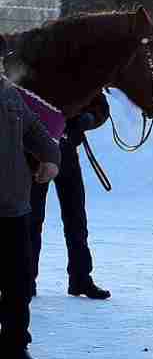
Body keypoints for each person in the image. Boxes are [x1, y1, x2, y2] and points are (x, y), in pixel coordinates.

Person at [0, 37, 60, 359]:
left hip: (14, 206)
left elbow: (40, 135)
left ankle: (13, 346)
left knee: (18, 283)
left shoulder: (10, 95)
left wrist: (50, 159)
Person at [30, 93, 111, 300]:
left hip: (67, 152)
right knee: (32, 219)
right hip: (35, 153)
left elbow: (100, 107)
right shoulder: (38, 66)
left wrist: (87, 119)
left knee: (76, 218)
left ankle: (80, 278)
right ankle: (26, 279)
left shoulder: (80, 71)